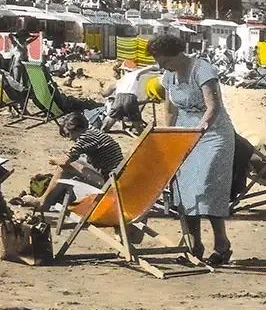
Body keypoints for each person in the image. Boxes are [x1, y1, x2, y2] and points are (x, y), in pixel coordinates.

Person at [148, 33, 236, 267]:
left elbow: (213, 107)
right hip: (184, 135)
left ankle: (222, 244)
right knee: (186, 192)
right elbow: (170, 112)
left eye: (164, 60)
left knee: (207, 186)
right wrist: (169, 140)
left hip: (214, 134)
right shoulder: (168, 77)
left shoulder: (202, 70)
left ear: (176, 53)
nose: (161, 65)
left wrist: (198, 131)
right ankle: (194, 246)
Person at [29, 111, 125, 213]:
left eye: (69, 134)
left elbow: (65, 161)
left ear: (77, 129)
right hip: (115, 177)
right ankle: (52, 199)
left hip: (111, 183)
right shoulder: (94, 133)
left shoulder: (86, 137)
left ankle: (43, 202)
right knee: (76, 164)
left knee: (64, 167)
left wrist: (53, 160)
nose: (70, 138)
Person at [99, 64, 159, 133]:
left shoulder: (119, 82)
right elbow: (148, 68)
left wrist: (99, 87)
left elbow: (105, 94)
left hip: (119, 99)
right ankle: (142, 134)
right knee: (137, 122)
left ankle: (103, 130)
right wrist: (157, 66)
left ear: (123, 71)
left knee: (111, 117)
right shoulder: (135, 74)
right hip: (131, 98)